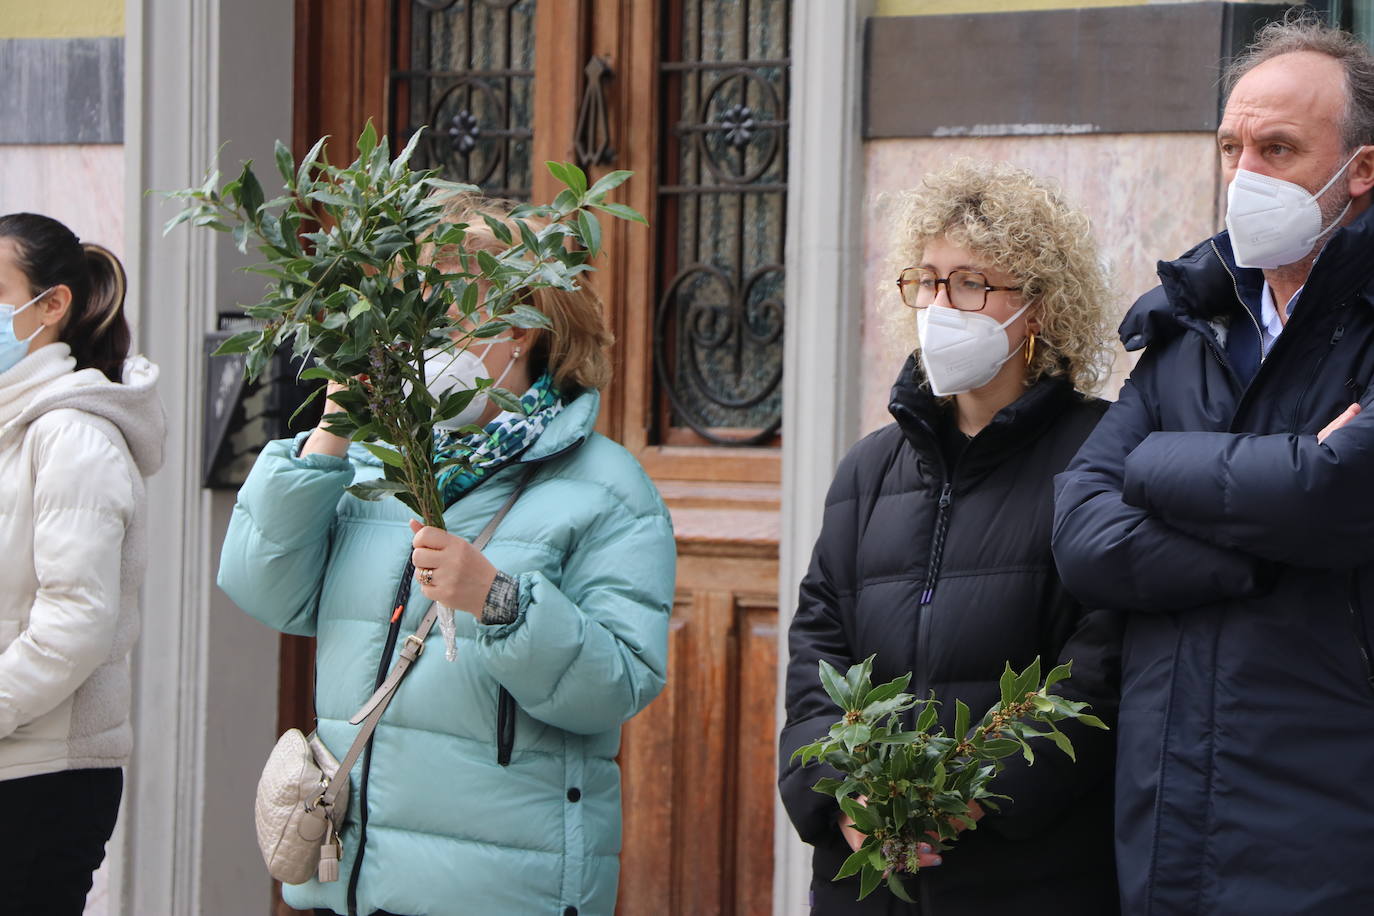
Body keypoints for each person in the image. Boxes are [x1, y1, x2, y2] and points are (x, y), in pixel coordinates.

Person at [217, 195, 676, 916]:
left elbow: (618, 684)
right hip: (353, 874)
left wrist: (500, 601)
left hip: (497, 887)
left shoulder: (607, 488)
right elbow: (264, 591)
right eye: (409, 314)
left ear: (520, 327)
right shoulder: (373, 466)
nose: (420, 338)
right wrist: (330, 434)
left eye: (443, 311)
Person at [1052, 15, 1374, 915]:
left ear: (1362, 170)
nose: (1244, 176)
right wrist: (1260, 547)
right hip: (1168, 829)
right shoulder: (1188, 325)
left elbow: (1334, 496)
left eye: (1278, 149)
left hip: (1330, 838)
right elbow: (1080, 534)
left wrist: (1154, 466)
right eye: (1232, 147)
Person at [779, 160, 1123, 915]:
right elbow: (817, 649)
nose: (940, 306)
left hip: (1024, 878)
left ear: (1036, 308)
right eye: (928, 281)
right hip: (869, 878)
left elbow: (1100, 661)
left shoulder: (1099, 454)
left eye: (970, 284)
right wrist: (841, 795)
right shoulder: (871, 468)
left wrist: (969, 794)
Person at [0, 212, 165, 915]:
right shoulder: (14, 428)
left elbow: (75, 623)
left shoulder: (73, 436)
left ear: (51, 305)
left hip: (39, 778)